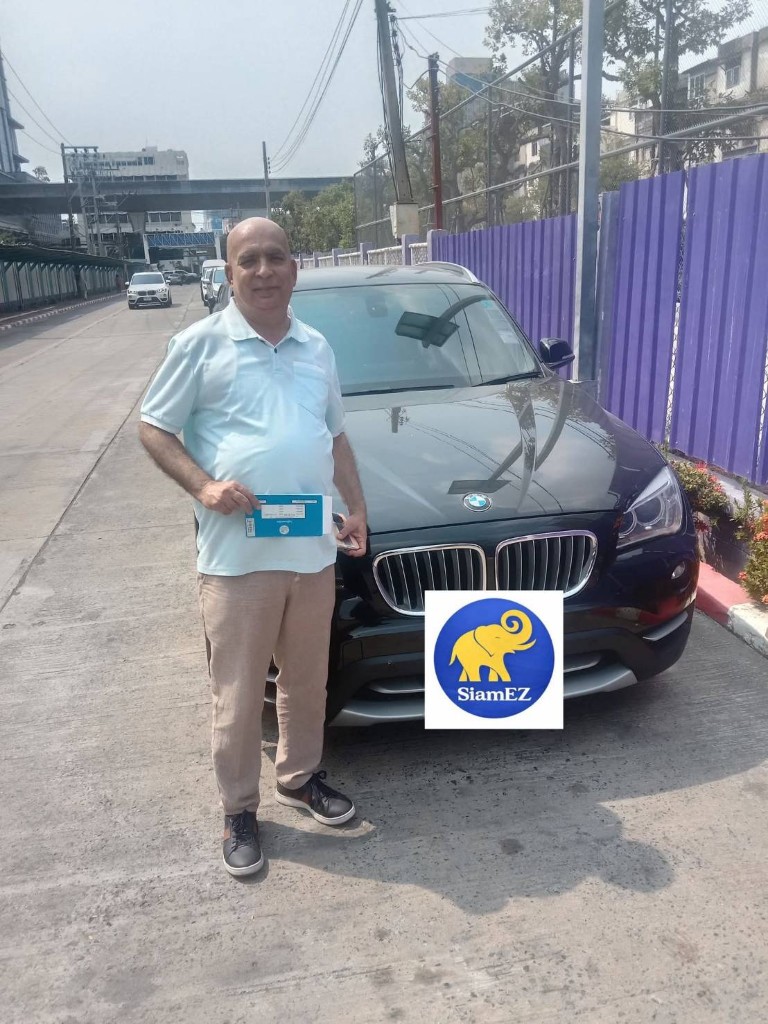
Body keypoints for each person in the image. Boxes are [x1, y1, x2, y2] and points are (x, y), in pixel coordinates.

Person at [138, 218, 367, 877]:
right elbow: (155, 430)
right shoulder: (199, 344)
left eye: (276, 258)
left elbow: (336, 439)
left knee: (305, 681)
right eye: (249, 261)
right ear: (229, 273)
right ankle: (239, 809)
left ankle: (299, 777)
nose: (264, 270)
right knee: (237, 694)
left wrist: (356, 508)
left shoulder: (316, 347)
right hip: (237, 560)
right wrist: (205, 487)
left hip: (311, 551)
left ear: (295, 268)